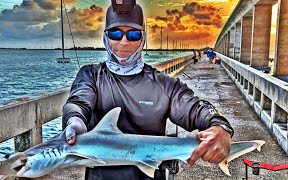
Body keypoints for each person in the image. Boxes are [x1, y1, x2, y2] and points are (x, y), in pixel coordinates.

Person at [62, 2, 233, 180]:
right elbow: (78, 102)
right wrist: (74, 121)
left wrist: (221, 127)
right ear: (106, 37)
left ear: (143, 39)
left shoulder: (165, 85)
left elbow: (196, 108)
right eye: (115, 33)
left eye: (133, 34)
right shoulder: (91, 75)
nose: (124, 41)